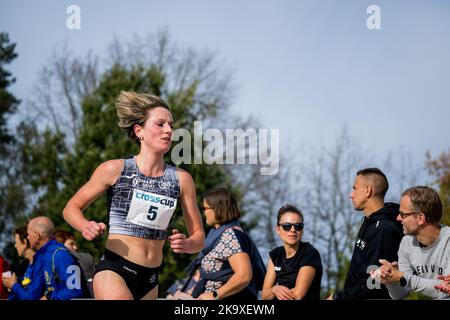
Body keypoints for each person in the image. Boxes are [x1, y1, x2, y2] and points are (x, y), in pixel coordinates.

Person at [63, 91, 205, 300]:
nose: (168, 130)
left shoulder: (182, 179)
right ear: (139, 131)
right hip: (115, 270)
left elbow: (199, 237)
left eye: (171, 126)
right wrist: (85, 225)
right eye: (160, 124)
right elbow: (71, 208)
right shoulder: (115, 169)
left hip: (150, 279)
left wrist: (187, 244)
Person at [328, 168, 403, 300]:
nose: (351, 194)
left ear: (368, 190)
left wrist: (338, 298)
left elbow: (374, 285)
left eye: (355, 188)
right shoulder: (370, 223)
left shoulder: (383, 230)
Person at [190, 187, 266, 301]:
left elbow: (244, 275)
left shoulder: (232, 235)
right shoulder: (218, 235)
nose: (203, 212)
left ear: (217, 209)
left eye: (204, 208)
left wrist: (214, 295)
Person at [379, 186, 450, 299]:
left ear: (420, 218)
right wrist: (391, 280)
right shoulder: (406, 243)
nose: (398, 218)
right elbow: (400, 294)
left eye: (403, 214)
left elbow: (445, 291)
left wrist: (404, 278)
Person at [5, 217, 84, 300]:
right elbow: (32, 296)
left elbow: (75, 291)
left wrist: (50, 297)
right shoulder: (41, 257)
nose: (27, 238)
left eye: (28, 234)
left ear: (37, 235)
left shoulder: (60, 255)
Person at [262, 204, 322, 300]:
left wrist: (274, 293)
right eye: (286, 226)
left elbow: (298, 295)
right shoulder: (275, 255)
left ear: (302, 230)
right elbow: (265, 295)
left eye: (298, 226)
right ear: (277, 229)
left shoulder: (310, 253)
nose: (293, 230)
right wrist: (274, 289)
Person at [55, 230, 95, 297]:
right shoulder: (53, 261)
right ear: (60, 245)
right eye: (71, 244)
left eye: (75, 244)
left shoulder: (85, 258)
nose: (75, 247)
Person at [2, 225, 38, 300]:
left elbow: (32, 297)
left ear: (24, 242)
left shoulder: (40, 265)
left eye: (16, 242)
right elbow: (22, 295)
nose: (15, 245)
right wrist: (11, 288)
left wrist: (14, 285)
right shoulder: (27, 267)